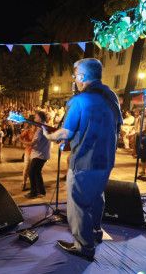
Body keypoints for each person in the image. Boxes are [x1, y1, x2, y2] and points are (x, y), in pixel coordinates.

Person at [44, 58, 122, 261]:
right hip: (106, 160)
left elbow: (65, 133)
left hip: (84, 162)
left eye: (75, 74)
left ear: (82, 76)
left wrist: (49, 136)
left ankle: (83, 247)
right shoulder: (111, 96)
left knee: (78, 204)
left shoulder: (79, 101)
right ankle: (95, 232)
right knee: (96, 197)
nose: (74, 78)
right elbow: (117, 127)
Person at [26, 111, 50, 199]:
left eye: (36, 117)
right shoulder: (44, 126)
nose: (34, 119)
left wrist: (21, 141)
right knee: (36, 173)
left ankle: (34, 192)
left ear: (40, 118)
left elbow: (33, 143)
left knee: (31, 172)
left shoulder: (41, 129)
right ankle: (41, 191)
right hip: (42, 154)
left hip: (39, 155)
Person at [19, 120, 36, 191]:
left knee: (34, 170)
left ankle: (33, 184)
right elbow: (20, 138)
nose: (35, 126)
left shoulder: (39, 132)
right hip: (28, 153)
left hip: (37, 154)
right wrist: (24, 143)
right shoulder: (28, 131)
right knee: (26, 168)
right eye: (34, 125)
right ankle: (24, 183)